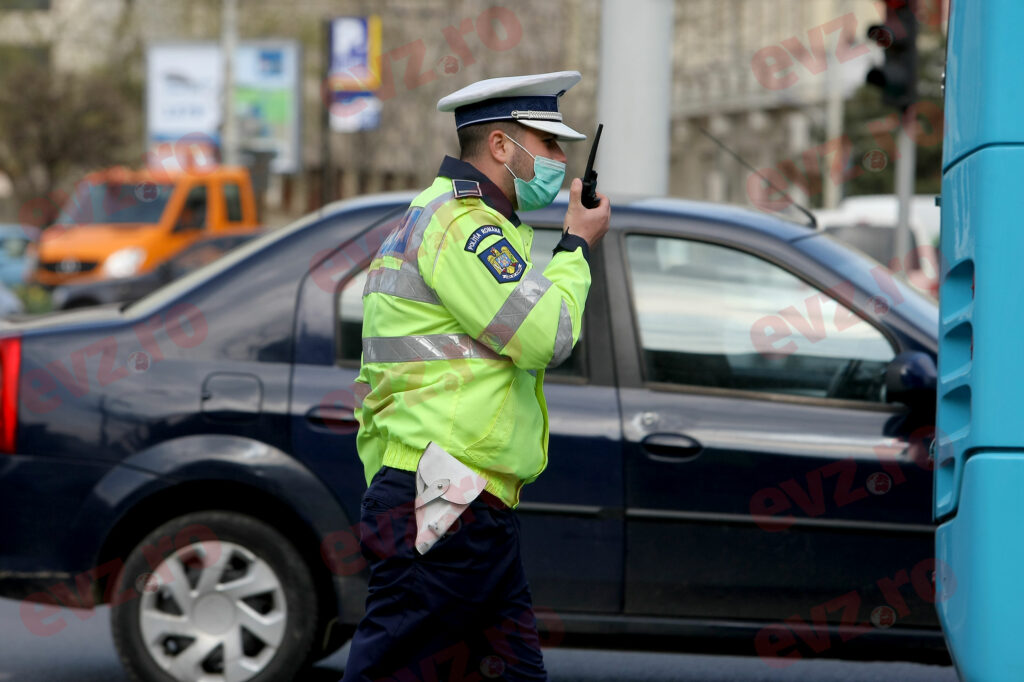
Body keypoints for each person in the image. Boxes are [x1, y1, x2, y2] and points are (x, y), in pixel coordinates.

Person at [342, 70, 610, 681]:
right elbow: (547, 334)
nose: (561, 163)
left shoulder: (444, 218)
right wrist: (575, 246)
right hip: (443, 499)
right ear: (500, 147)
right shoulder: (464, 228)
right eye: (548, 147)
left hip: (459, 499)